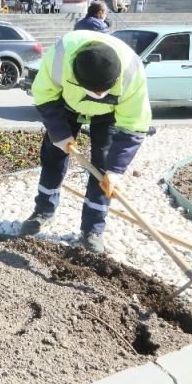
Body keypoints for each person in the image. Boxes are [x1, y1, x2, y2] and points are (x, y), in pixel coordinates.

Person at [19, 30, 151, 253]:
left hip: (109, 115)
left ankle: (92, 229)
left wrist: (116, 169)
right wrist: (59, 133)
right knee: (53, 156)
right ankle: (43, 211)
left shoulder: (132, 73)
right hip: (66, 106)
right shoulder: (60, 56)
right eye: (93, 91)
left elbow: (134, 124)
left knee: (103, 170)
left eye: (104, 90)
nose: (99, 95)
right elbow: (43, 94)